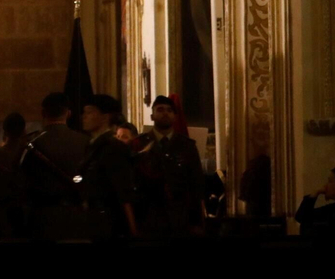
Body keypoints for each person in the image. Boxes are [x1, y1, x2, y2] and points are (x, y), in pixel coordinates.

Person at [20, 93, 89, 239]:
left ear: (43, 113)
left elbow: (22, 182)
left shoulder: (33, 144)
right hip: (77, 215)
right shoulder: (85, 142)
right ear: (69, 113)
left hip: (42, 219)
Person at [134, 95, 204, 236]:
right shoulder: (139, 144)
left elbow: (196, 184)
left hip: (179, 216)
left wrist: (196, 221)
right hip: (148, 216)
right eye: (160, 110)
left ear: (175, 116)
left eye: (169, 110)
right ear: (152, 115)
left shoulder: (187, 146)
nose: (165, 113)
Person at [78, 95, 138, 238]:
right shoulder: (92, 145)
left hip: (109, 222)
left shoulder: (113, 147)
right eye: (84, 112)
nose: (84, 117)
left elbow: (123, 191)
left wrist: (132, 229)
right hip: (93, 219)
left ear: (105, 117)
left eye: (90, 112)